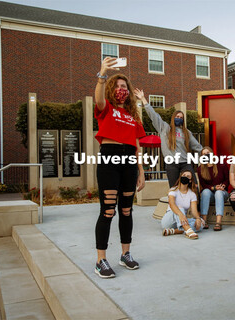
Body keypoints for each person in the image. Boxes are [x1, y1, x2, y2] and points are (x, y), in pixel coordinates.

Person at [93, 57, 146, 278]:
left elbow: (138, 145)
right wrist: (103, 75)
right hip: (110, 160)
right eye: (117, 85)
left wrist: (141, 171)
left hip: (129, 163)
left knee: (126, 210)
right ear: (111, 89)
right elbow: (99, 97)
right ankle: (100, 260)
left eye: (124, 86)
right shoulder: (105, 109)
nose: (121, 89)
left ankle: (125, 254)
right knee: (108, 211)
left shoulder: (133, 116)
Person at [134, 89, 203, 187]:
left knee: (193, 185)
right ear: (173, 117)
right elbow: (154, 116)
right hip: (171, 163)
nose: (179, 118)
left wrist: (208, 157)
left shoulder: (186, 132)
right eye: (177, 116)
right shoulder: (165, 128)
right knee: (174, 188)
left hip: (185, 163)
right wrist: (143, 99)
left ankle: (196, 201)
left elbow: (197, 146)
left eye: (181, 117)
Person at [161, 170, 204, 239]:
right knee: (180, 208)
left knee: (201, 223)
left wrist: (198, 219)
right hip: (169, 221)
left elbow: (194, 211)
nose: (185, 177)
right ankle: (188, 230)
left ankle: (174, 231)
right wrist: (181, 214)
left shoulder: (192, 194)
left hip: (182, 220)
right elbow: (172, 204)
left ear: (190, 180)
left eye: (188, 176)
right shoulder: (173, 190)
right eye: (183, 175)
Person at [197, 146, 230, 231]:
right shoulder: (200, 169)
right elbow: (203, 185)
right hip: (210, 193)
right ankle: (204, 220)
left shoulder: (221, 165)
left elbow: (227, 179)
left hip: (222, 193)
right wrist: (213, 187)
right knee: (205, 192)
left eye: (208, 153)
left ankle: (218, 221)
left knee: (218, 193)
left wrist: (223, 186)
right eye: (204, 154)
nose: (206, 155)